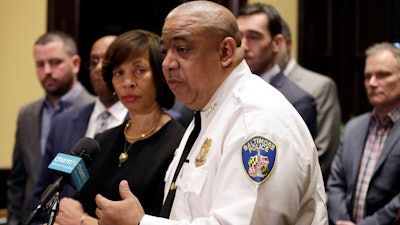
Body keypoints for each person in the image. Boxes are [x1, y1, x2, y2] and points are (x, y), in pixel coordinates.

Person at [94, 1, 328, 225]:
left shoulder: (255, 121)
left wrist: (139, 222)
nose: (168, 64)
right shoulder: (210, 110)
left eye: (182, 49)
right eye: (165, 51)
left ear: (225, 52)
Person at [52, 29, 186, 225]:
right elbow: (74, 207)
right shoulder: (101, 141)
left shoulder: (178, 144)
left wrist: (83, 221)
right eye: (118, 73)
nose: (127, 83)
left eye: (139, 70)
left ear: (159, 76)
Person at [28, 35, 129, 224]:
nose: (99, 68)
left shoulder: (148, 124)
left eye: (107, 60)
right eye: (94, 61)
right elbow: (42, 193)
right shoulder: (63, 122)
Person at [6, 31, 95, 225]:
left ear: (76, 63)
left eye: (55, 62)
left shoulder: (95, 111)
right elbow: (18, 180)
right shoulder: (27, 114)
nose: (47, 70)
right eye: (40, 64)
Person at [327, 42, 400, 225]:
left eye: (383, 75)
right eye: (368, 76)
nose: (372, 83)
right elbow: (335, 184)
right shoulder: (354, 127)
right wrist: (342, 220)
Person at [236, 3, 317, 138]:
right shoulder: (227, 90)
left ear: (277, 43)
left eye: (254, 37)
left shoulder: (297, 101)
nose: (244, 46)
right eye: (239, 37)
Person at [277, 18, 342, 184]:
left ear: (285, 43)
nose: (247, 47)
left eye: (255, 38)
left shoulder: (319, 86)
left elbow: (323, 151)